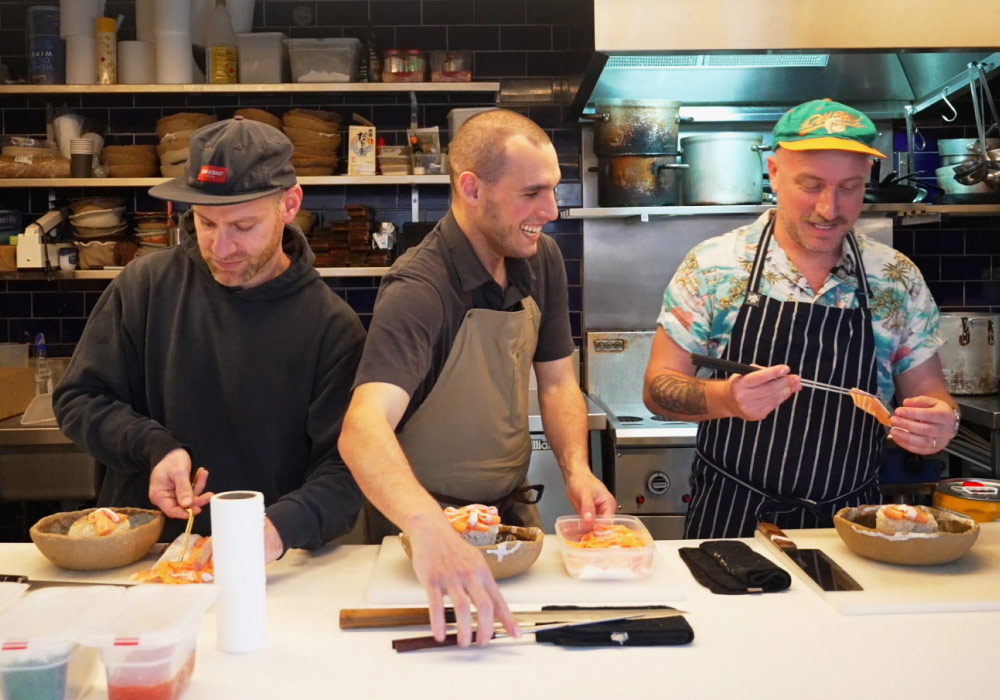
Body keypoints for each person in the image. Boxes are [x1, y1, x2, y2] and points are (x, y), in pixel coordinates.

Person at [338, 109, 616, 647]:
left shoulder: (541, 259)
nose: (552, 212)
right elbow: (362, 426)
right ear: (471, 187)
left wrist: (578, 472)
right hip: (420, 531)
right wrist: (429, 529)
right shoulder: (420, 287)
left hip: (509, 517)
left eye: (553, 191)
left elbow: (558, 382)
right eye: (532, 193)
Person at [54, 117, 366, 564]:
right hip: (143, 557)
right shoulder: (144, 287)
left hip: (266, 569)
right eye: (206, 223)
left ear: (290, 204)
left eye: (243, 226)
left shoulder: (332, 327)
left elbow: (346, 470)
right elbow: (78, 398)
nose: (221, 247)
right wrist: (154, 447)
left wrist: (277, 530)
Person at [643, 99, 960, 540]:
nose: (829, 209)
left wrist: (940, 421)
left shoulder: (895, 278)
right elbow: (658, 389)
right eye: (810, 185)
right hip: (731, 520)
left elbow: (932, 395)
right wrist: (726, 398)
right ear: (773, 172)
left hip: (851, 525)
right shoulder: (715, 267)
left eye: (849, 187)